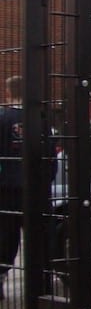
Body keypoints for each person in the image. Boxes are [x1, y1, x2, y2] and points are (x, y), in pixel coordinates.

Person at [0, 75, 24, 297]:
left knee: (7, 235)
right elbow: (51, 155)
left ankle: (1, 276)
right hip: (34, 187)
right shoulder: (40, 118)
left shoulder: (3, 119)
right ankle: (41, 281)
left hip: (7, 187)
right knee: (39, 233)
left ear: (8, 93)